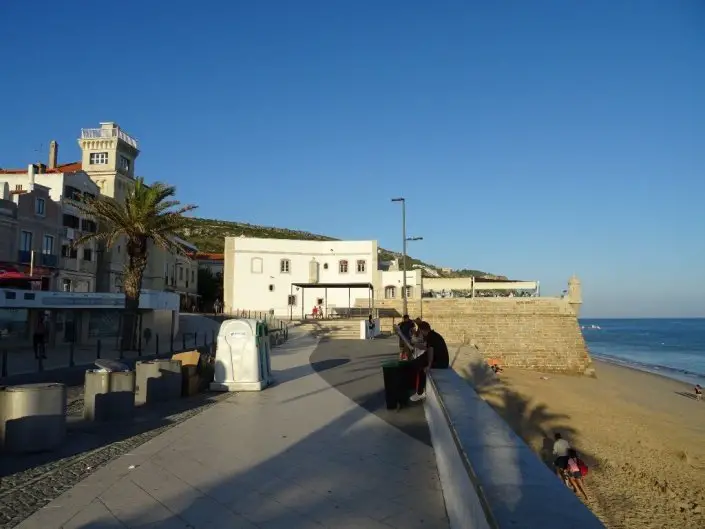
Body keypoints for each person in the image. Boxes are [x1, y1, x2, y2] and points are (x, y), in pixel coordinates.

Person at [409, 321, 449, 402]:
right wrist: (414, 344)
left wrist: (429, 365)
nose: (420, 334)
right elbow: (426, 348)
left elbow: (430, 350)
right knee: (415, 363)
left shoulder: (431, 337)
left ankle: (420, 393)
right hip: (436, 357)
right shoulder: (431, 335)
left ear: (422, 330)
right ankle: (413, 386)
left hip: (441, 362)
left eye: (419, 331)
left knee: (420, 368)